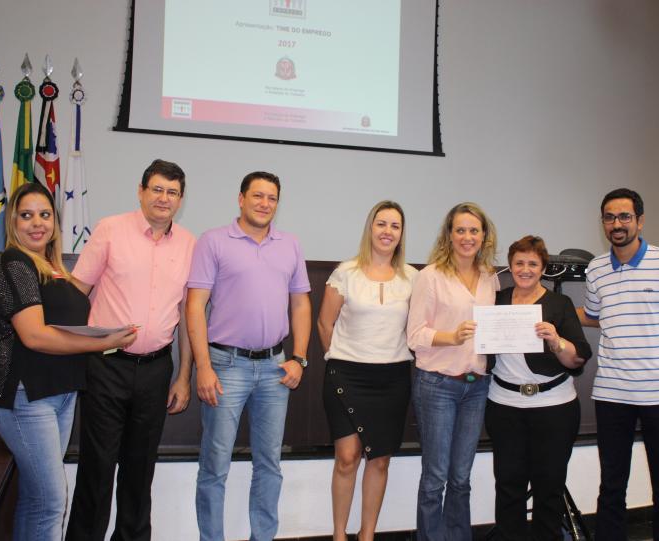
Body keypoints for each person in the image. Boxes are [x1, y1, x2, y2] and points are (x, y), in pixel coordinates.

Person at [0, 182, 137, 541]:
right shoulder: (16, 264)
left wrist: (106, 333)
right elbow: (35, 336)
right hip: (26, 396)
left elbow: (62, 323)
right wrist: (103, 343)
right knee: (52, 502)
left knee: (38, 498)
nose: (37, 223)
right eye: (26, 215)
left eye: (45, 215)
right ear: (13, 222)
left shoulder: (51, 268)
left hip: (60, 393)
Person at [65, 159, 196, 541]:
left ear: (181, 200)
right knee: (98, 465)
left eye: (172, 192)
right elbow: (77, 294)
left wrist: (183, 376)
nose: (164, 198)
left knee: (141, 468)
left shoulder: (189, 244)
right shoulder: (110, 229)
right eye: (157, 189)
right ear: (141, 191)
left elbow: (187, 316)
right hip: (106, 366)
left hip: (156, 369)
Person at [187, 171, 312, 541]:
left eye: (272, 198)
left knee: (269, 464)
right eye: (257, 196)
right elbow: (195, 307)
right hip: (225, 367)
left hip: (276, 368)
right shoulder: (213, 241)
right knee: (215, 465)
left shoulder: (290, 244)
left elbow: (301, 304)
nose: (264, 203)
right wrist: (203, 367)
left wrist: (299, 358)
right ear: (241, 199)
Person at [578, 188, 659, 541]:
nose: (617, 224)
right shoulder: (596, 268)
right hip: (612, 394)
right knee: (611, 486)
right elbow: (594, 316)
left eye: (624, 216)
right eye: (609, 217)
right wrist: (548, 311)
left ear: (640, 220)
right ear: (603, 222)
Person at [317, 201, 418, 541]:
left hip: (393, 379)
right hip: (347, 376)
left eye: (395, 226)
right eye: (381, 223)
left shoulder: (413, 278)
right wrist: (341, 358)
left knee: (379, 460)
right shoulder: (345, 272)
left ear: (401, 234)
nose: (387, 231)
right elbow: (325, 323)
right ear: (370, 228)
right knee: (347, 457)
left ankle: (367, 535)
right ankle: (338, 535)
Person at [484, 235, 592, 540]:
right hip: (505, 407)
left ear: (543, 268)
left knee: (549, 485)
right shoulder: (496, 301)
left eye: (533, 263)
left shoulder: (559, 304)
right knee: (508, 485)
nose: (525, 269)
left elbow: (578, 358)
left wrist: (556, 341)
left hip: (554, 408)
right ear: (510, 266)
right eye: (519, 263)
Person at [407, 202, 499, 541]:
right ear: (449, 235)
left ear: (484, 236)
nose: (467, 237)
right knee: (435, 478)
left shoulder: (490, 277)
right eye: (460, 230)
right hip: (438, 386)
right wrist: (452, 336)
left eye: (474, 230)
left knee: (461, 477)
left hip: (477, 386)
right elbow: (414, 336)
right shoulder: (430, 276)